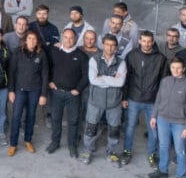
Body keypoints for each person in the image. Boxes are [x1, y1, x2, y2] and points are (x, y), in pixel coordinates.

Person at [79, 35, 127, 166]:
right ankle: (88, 151)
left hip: (114, 102)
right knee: (90, 127)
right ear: (103, 45)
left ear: (116, 48)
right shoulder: (94, 60)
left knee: (114, 129)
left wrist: (103, 77)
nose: (109, 48)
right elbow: (93, 80)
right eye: (107, 44)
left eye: (112, 45)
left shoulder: (121, 62)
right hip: (95, 100)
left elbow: (120, 82)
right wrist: (112, 79)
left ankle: (111, 152)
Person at [148, 58, 186, 178]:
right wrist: (154, 116)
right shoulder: (165, 81)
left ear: (184, 69)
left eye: (179, 68)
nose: (176, 70)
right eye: (173, 67)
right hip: (162, 119)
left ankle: (180, 177)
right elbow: (158, 99)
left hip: (179, 123)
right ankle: (163, 170)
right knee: (163, 145)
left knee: (180, 151)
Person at [122, 31, 166, 167]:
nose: (146, 44)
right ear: (139, 41)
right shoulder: (132, 56)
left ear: (153, 42)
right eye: (144, 41)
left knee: (153, 129)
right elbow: (126, 78)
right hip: (134, 98)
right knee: (129, 127)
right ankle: (127, 151)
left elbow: (163, 81)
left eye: (149, 41)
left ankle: (152, 154)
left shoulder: (160, 58)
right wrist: (124, 97)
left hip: (152, 101)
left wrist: (160, 101)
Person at [7, 32, 49, 155]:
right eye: (29, 38)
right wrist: (11, 90)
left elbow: (45, 75)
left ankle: (28, 140)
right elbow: (12, 72)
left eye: (34, 39)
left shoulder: (41, 55)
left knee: (31, 116)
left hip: (35, 90)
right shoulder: (17, 53)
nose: (31, 41)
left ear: (37, 42)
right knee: (16, 116)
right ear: (25, 40)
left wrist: (43, 94)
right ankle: (13, 143)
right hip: (20, 90)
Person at [48, 29, 88, 157]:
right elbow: (47, 68)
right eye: (65, 37)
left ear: (75, 39)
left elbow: (86, 76)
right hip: (56, 93)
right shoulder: (54, 52)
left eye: (71, 38)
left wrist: (78, 89)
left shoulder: (82, 56)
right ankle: (55, 142)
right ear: (62, 38)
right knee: (55, 119)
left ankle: (72, 145)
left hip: (73, 95)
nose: (68, 40)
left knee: (73, 121)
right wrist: (50, 81)